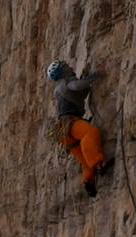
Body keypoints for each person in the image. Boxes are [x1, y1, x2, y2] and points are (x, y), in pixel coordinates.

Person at [47, 60, 113, 197]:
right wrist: (95, 75)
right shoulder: (65, 84)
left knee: (84, 159)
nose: (70, 67)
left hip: (61, 131)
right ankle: (99, 163)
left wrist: (85, 79)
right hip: (69, 123)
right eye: (66, 67)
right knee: (89, 133)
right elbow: (77, 86)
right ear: (62, 71)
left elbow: (80, 94)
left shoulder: (60, 89)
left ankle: (88, 181)